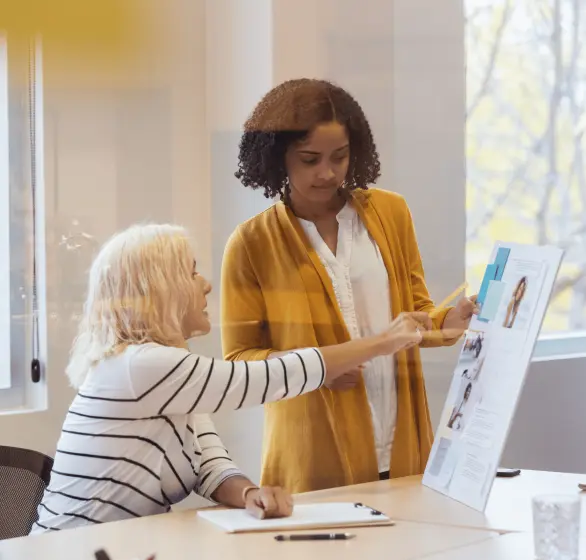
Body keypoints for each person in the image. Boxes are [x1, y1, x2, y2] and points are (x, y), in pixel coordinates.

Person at [32, 223, 426, 533]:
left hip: (116, 556)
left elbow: (208, 464)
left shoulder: (165, 375)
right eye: (191, 272)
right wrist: (382, 342)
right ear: (160, 289)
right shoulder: (139, 366)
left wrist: (250, 494)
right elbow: (263, 378)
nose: (205, 284)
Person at [221, 78, 478, 493]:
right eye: (309, 159)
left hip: (402, 443)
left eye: (339, 157)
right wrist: (319, 370)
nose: (327, 173)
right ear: (277, 159)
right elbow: (239, 361)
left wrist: (451, 318)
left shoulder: (391, 213)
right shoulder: (251, 243)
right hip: (312, 453)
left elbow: (414, 315)